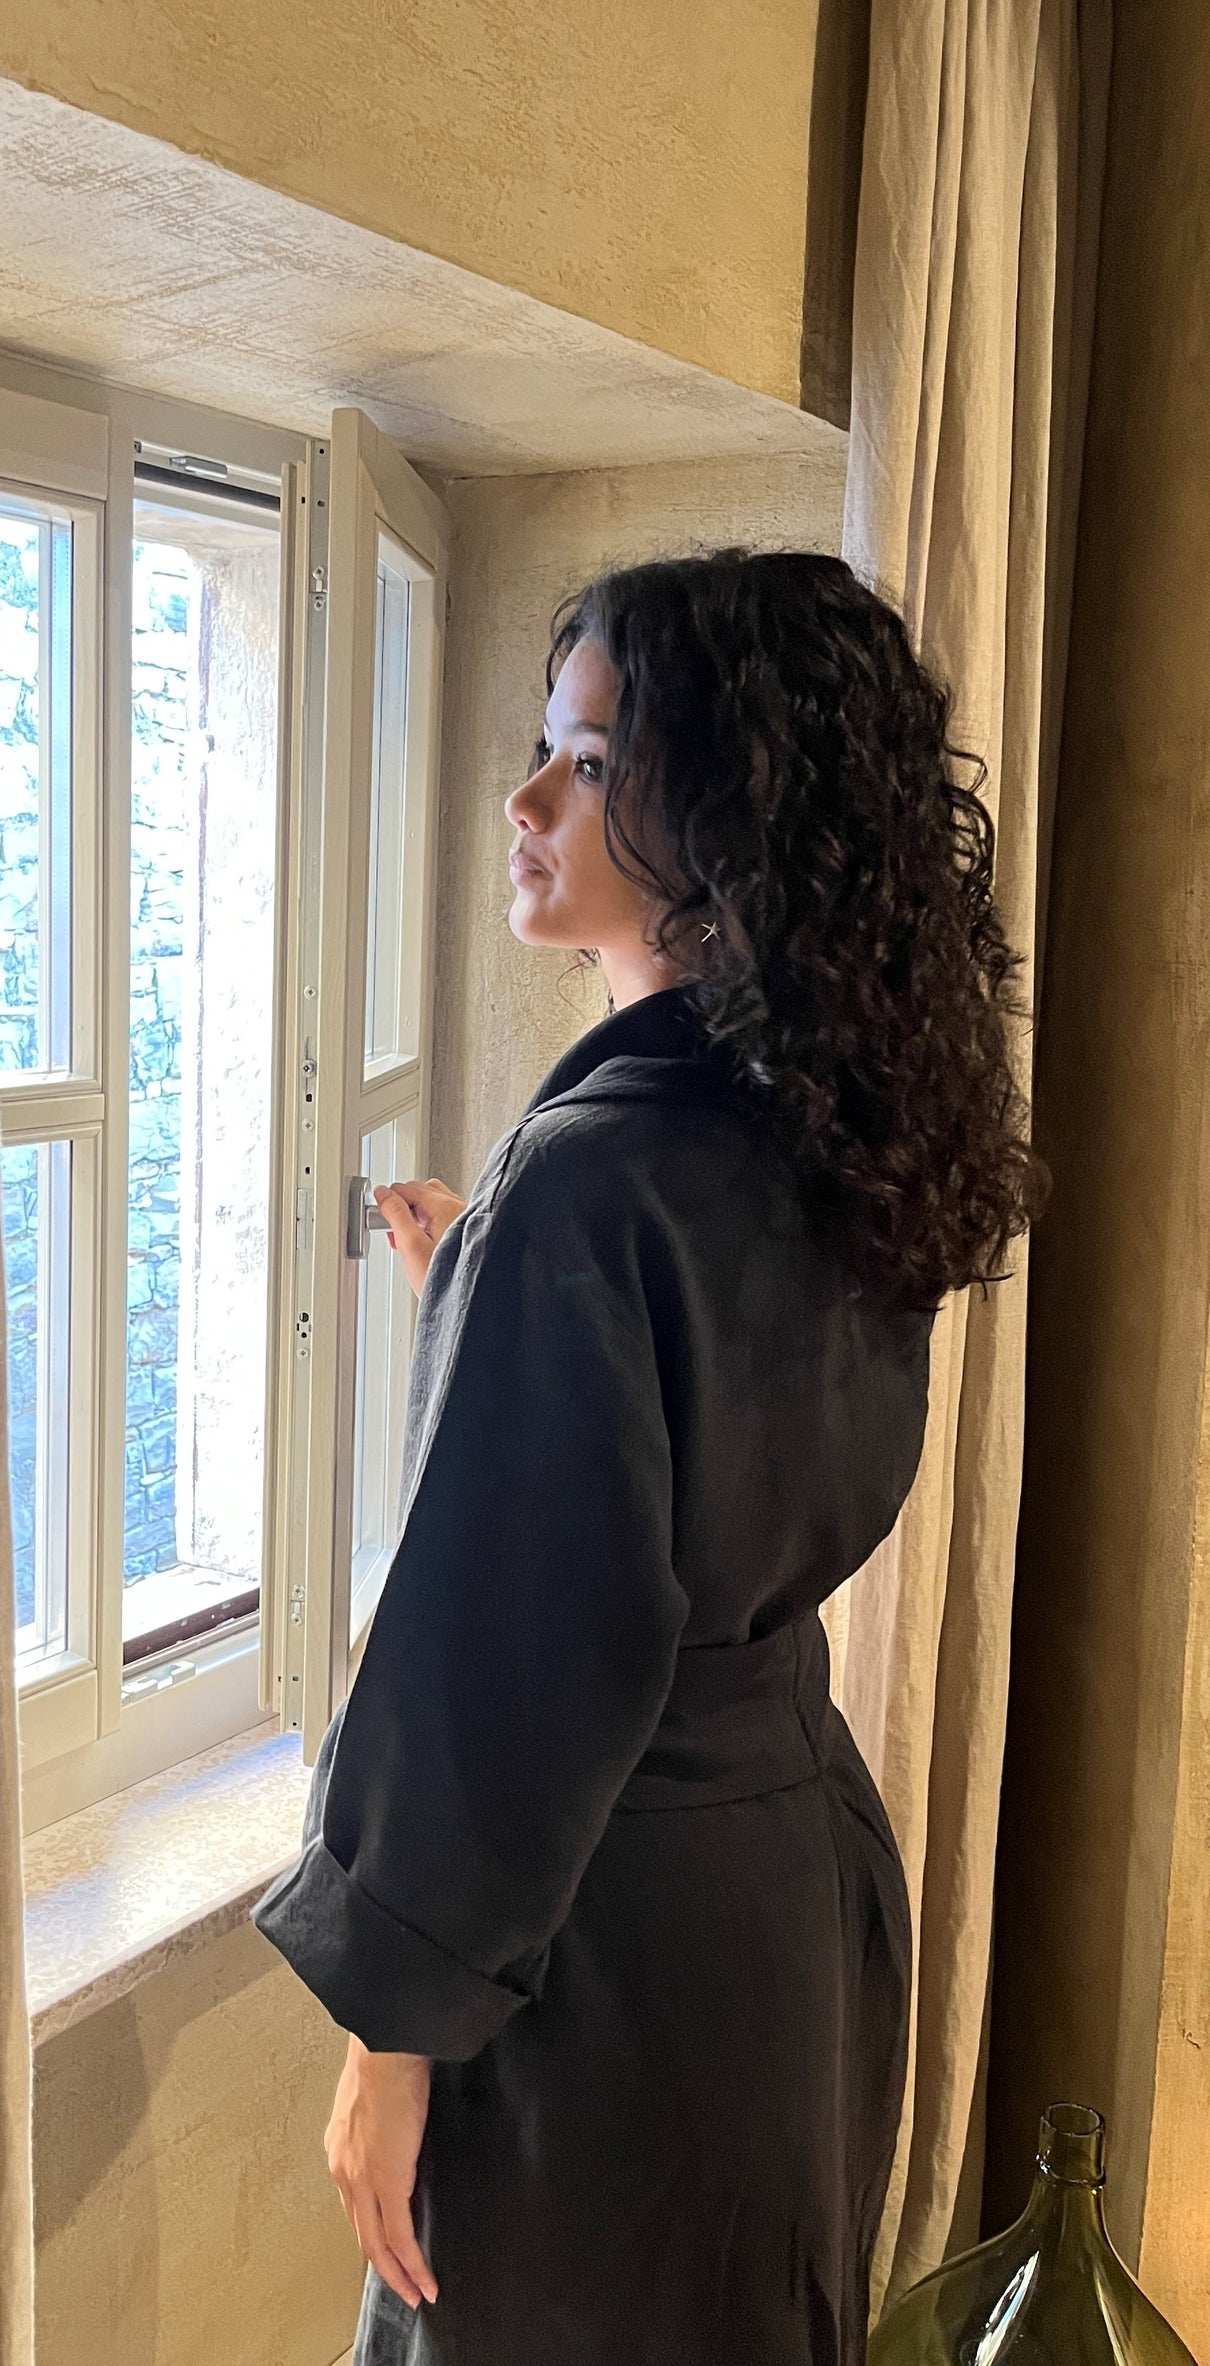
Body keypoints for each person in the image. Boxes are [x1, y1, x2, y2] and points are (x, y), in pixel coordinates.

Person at [252, 550, 1043, 2366]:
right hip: (777, 1908)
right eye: (546, 749)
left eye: (590, 764)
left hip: (588, 1951)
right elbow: (724, 1453)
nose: (528, 801)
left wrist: (391, 2043)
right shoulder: (835, 1124)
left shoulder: (598, 1180)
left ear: (721, 804)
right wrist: (487, 1291)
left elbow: (511, 1664)